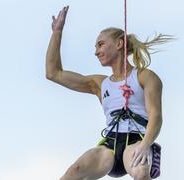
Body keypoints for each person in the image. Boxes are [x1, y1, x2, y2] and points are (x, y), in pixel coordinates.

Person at [46, 6, 172, 180]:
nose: (96, 51)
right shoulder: (99, 84)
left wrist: (145, 145)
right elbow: (53, 73)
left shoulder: (145, 76)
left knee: (140, 172)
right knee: (74, 171)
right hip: (109, 146)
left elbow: (156, 116)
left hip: (137, 142)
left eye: (101, 44)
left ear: (119, 44)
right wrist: (57, 32)